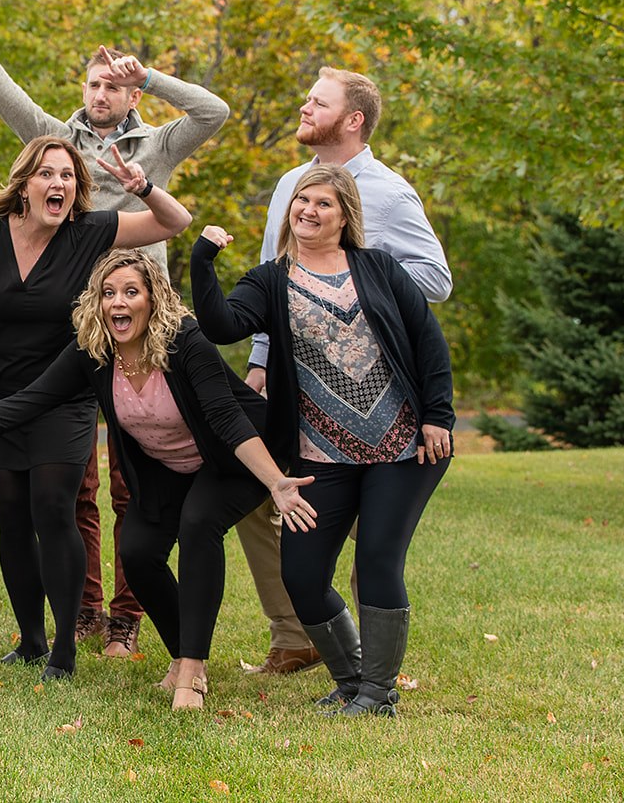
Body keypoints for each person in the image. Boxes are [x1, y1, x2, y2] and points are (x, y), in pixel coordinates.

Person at [0, 0, 229, 656]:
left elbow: (214, 113)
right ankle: (82, 612)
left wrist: (150, 77)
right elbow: (3, 92)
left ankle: (126, 616)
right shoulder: (54, 142)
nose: (101, 94)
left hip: (136, 331)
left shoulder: (157, 147)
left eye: (115, 86)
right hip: (68, 336)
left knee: (132, 483)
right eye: (94, 83)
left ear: (132, 95)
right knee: (71, 493)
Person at [0, 249, 316, 709]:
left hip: (236, 458)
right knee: (138, 553)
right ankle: (182, 653)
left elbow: (226, 419)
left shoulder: (185, 341)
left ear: (153, 299)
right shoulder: (94, 352)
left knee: (199, 524)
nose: (118, 303)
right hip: (167, 468)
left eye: (131, 292)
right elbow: (28, 401)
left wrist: (275, 481)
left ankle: (192, 670)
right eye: (108, 293)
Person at [191, 163, 455, 717]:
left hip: (402, 447)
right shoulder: (270, 279)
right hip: (320, 455)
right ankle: (353, 681)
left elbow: (427, 340)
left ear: (345, 215)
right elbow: (222, 326)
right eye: (302, 200)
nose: (308, 210)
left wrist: (438, 416)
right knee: (303, 575)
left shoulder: (379, 267)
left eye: (323, 203)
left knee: (378, 560)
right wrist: (202, 260)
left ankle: (378, 693)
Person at [0, 137, 191, 681]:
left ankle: (64, 651)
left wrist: (142, 186)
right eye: (47, 174)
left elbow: (175, 222)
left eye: (68, 176)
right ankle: (31, 641)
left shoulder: (90, 231)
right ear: (24, 183)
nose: (59, 184)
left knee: (54, 508)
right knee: (12, 519)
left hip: (64, 396)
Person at [236, 67, 452, 676]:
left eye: (318, 102)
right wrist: (260, 360)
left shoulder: (389, 194)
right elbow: (273, 278)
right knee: (272, 506)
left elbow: (436, 280)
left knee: (376, 547)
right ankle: (300, 640)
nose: (304, 107)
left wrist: (357, 279)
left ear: (353, 119)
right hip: (300, 391)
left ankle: (376, 677)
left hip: (382, 400)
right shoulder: (290, 183)